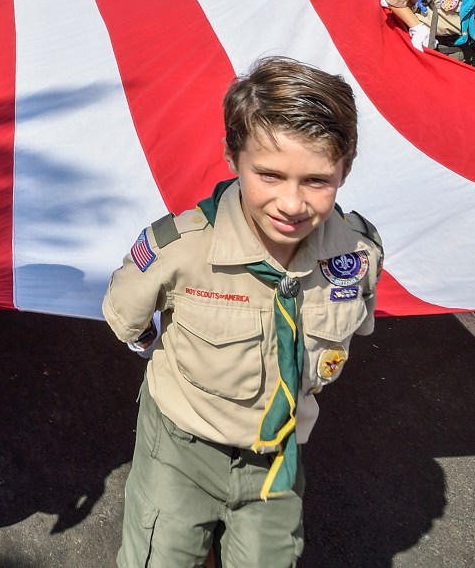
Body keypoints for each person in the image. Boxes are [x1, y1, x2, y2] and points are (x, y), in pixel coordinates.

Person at [103, 57, 382, 568]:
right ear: (233, 156)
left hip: (277, 457)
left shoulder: (357, 255)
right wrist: (155, 351)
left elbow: (352, 328)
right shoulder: (180, 247)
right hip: (180, 448)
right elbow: (128, 316)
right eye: (269, 175)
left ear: (346, 167)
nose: (292, 203)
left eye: (318, 180)